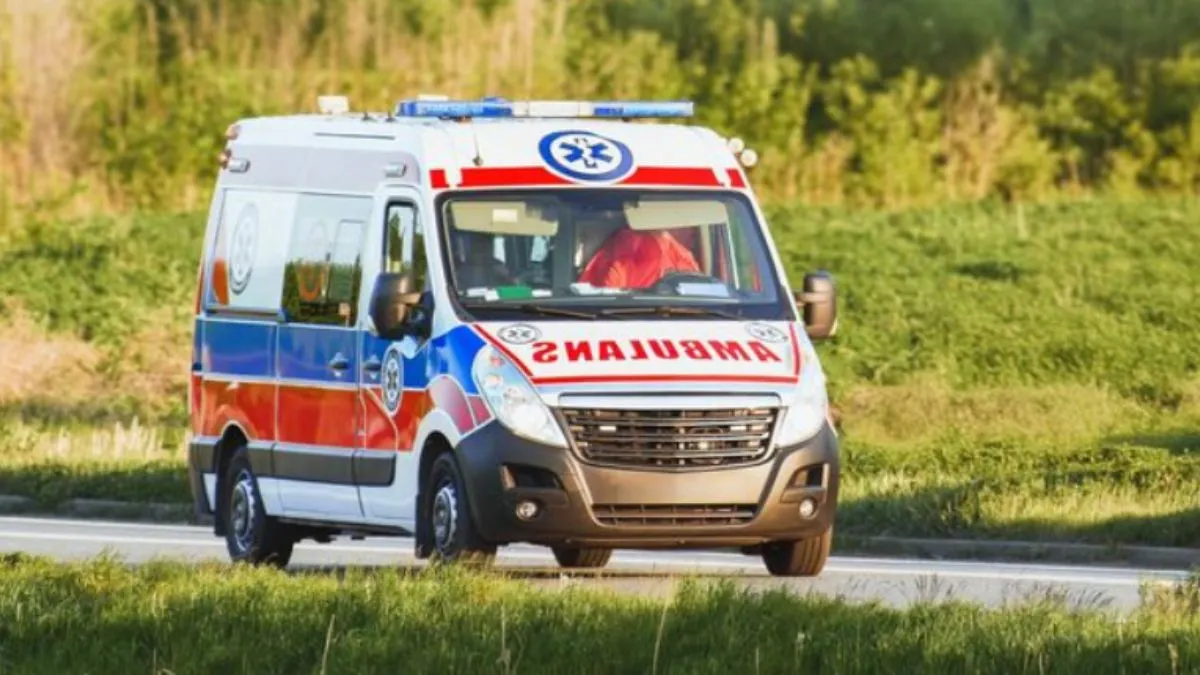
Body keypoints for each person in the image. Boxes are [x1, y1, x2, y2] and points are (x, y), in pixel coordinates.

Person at [577, 222, 701, 289]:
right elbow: (605, 300)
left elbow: (699, 294)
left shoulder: (683, 257)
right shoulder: (625, 250)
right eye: (691, 228)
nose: (692, 232)